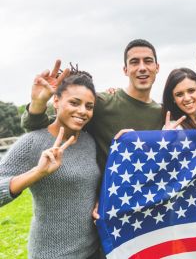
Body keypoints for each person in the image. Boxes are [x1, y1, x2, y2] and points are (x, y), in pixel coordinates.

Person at [0, 65, 103, 258]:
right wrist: (37, 173)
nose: (82, 111)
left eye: (89, 106)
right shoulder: (33, 142)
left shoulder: (89, 141)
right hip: (52, 253)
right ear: (56, 101)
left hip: (91, 251)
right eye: (74, 103)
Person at [21, 39, 163, 172]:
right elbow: (38, 126)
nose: (142, 67)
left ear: (157, 67)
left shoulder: (163, 114)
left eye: (148, 61)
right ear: (125, 70)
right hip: (107, 196)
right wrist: (38, 103)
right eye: (134, 62)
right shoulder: (100, 103)